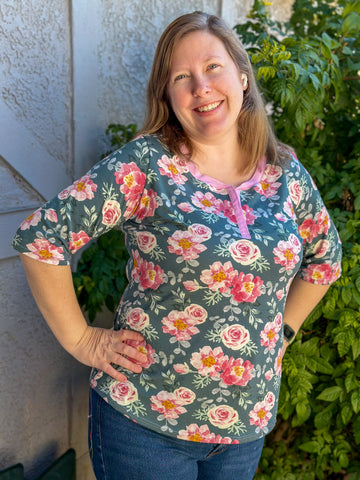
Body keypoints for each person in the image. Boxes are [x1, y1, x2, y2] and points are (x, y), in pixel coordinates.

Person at [12, 11, 342, 480]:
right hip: (145, 424)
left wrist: (282, 333)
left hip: (244, 428)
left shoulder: (283, 172)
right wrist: (83, 340)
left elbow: (325, 259)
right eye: (181, 77)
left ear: (242, 78)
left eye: (213, 67)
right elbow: (42, 238)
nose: (200, 88)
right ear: (167, 96)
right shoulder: (147, 164)